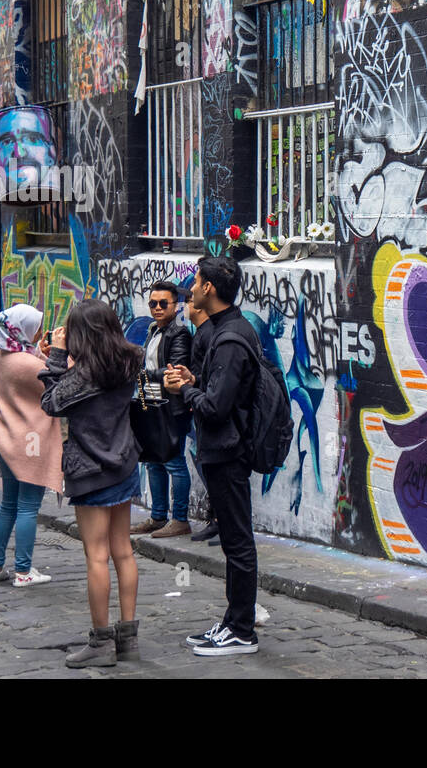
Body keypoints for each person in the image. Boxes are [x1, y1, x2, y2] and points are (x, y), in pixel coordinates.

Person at [164, 256, 260, 656]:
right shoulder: (226, 330)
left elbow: (217, 408)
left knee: (237, 541)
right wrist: (195, 380)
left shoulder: (231, 338)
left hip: (228, 451)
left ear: (209, 289)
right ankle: (232, 621)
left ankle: (242, 630)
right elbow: (220, 389)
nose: (192, 285)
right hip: (223, 449)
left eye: (197, 279)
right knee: (234, 541)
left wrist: (184, 391)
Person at [39, 299, 143, 668]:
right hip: (125, 462)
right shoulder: (131, 360)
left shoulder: (84, 374)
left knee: (96, 556)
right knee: (123, 551)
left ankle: (101, 642)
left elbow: (50, 402)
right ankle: (127, 637)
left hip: (91, 470)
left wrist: (57, 357)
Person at [0, 304, 63, 587]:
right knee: (28, 505)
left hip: (7, 437)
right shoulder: (26, 363)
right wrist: (60, 350)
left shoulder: (1, 355)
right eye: (37, 325)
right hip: (30, 440)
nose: (41, 330)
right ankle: (23, 571)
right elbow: (59, 378)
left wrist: (40, 349)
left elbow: (37, 368)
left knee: (8, 504)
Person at [131, 282, 193, 538]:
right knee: (154, 461)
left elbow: (174, 370)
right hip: (153, 405)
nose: (157, 308)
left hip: (173, 408)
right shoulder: (153, 330)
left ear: (175, 305)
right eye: (153, 303)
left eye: (163, 303)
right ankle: (158, 517)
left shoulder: (179, 334)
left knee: (174, 462)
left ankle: (180, 519)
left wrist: (142, 375)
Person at [185, 297, 219, 545]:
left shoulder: (208, 334)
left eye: (187, 301)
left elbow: (210, 375)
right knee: (207, 465)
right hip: (202, 405)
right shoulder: (202, 333)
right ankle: (216, 520)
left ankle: (222, 522)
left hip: (208, 408)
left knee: (214, 467)